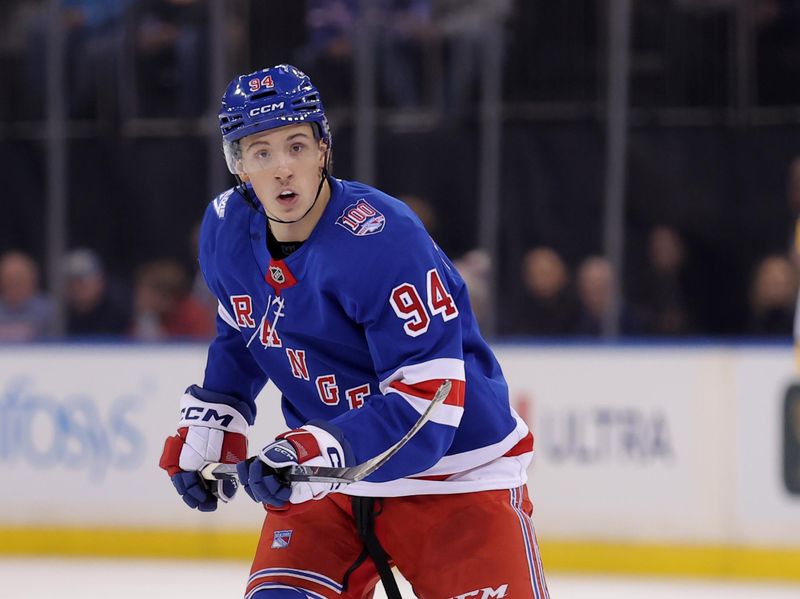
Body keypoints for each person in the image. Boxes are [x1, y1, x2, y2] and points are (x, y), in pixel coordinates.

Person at [159, 64, 549, 599]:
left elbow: (428, 410)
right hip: (327, 489)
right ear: (239, 166)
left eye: (296, 145)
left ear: (323, 148)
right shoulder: (225, 228)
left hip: (453, 476)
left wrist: (320, 447)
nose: (282, 170)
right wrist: (217, 414)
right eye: (261, 152)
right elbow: (243, 325)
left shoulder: (383, 240)